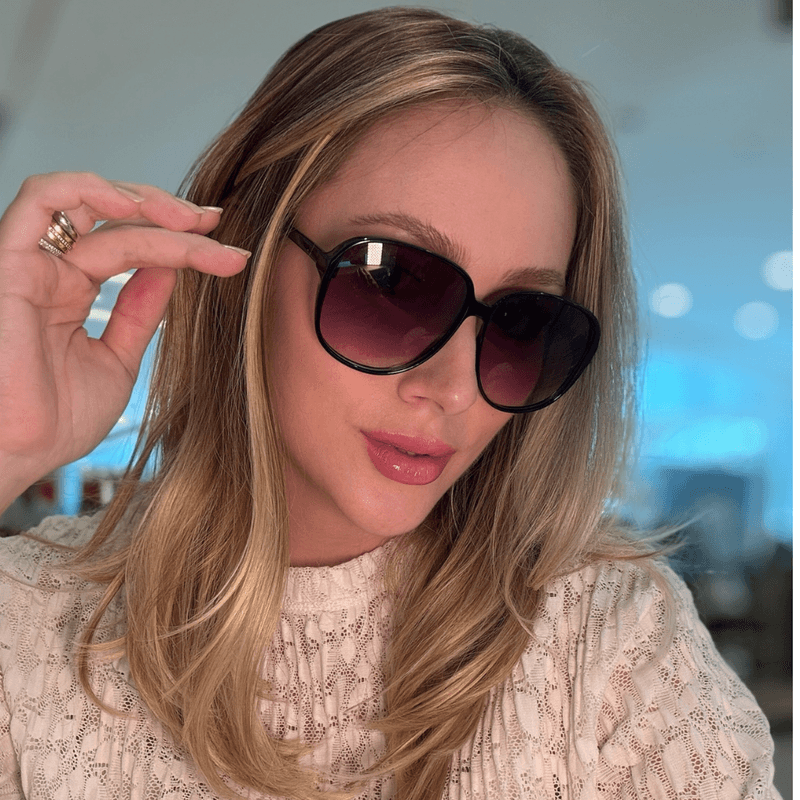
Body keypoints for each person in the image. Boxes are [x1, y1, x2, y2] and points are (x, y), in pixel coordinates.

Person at [0, 7, 780, 799]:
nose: (453, 388)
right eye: (391, 283)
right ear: (249, 257)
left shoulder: (613, 646)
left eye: (521, 324)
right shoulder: (27, 625)